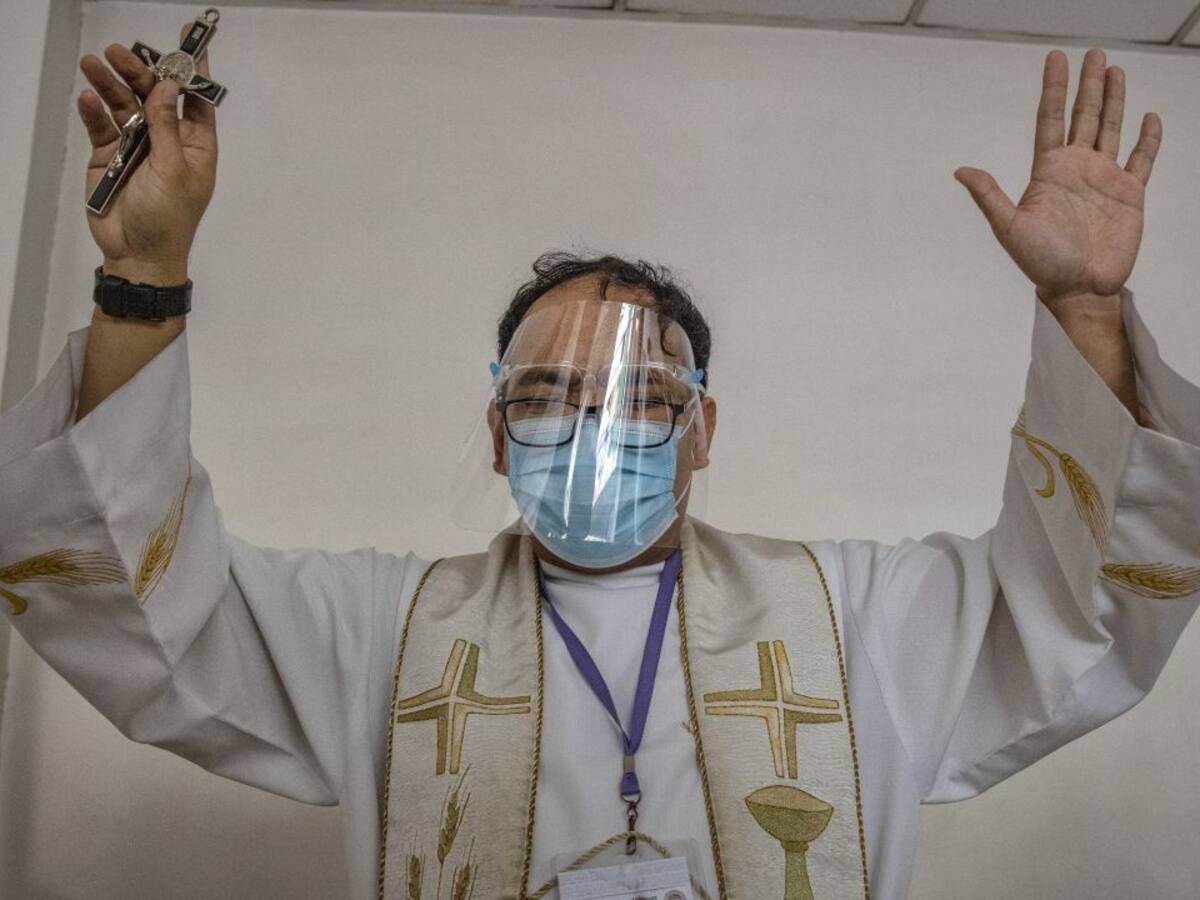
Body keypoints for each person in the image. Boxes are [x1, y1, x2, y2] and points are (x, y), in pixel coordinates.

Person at [0, 21, 1196, 899]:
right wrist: (142, 277)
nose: (590, 430)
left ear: (702, 431)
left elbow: (1072, 612)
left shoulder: (855, 620)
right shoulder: (383, 634)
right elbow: (142, 611)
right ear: (495, 431)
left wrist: (1084, 308)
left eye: (640, 399)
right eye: (544, 397)